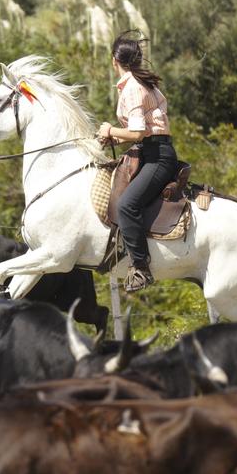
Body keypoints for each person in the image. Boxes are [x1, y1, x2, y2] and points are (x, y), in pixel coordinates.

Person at [97, 31, 178, 292]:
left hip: (156, 157)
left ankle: (141, 269)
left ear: (114, 60)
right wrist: (115, 138)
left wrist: (110, 130)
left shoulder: (132, 88)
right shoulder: (141, 84)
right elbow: (143, 133)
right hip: (150, 151)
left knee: (127, 205)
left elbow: (138, 133)